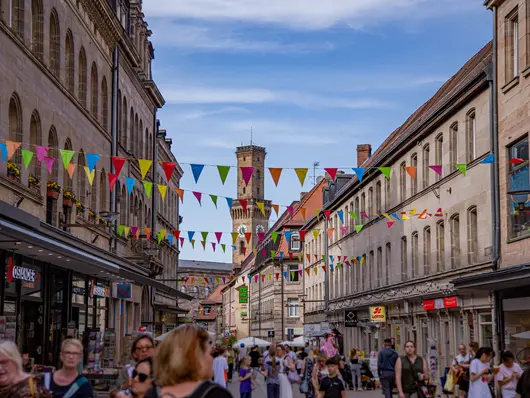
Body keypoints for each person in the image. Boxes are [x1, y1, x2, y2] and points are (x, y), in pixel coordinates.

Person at [153, 324, 232, 398]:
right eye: (210, 353)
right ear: (196, 356)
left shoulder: (152, 393)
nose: (212, 359)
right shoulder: (216, 394)